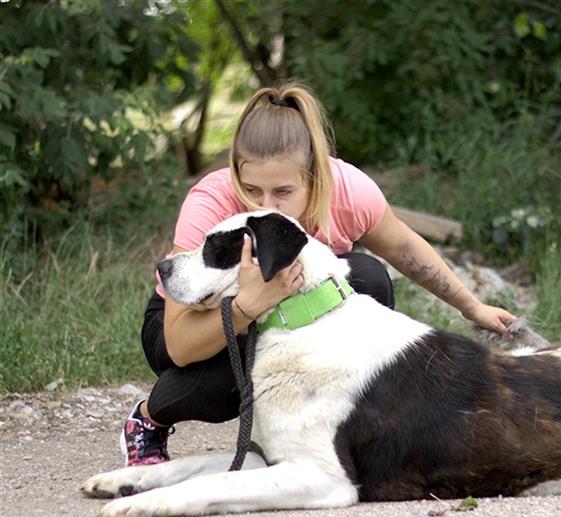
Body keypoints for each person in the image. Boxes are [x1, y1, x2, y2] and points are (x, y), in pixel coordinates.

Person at [123, 81, 516, 466]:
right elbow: (177, 344)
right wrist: (248, 305)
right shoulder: (210, 200)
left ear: (314, 177)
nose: (265, 206)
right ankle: (148, 419)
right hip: (192, 320)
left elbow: (404, 249)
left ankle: (345, 420)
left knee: (367, 279)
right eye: (251, 190)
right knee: (228, 371)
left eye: (282, 192)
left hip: (279, 314)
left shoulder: (348, 190)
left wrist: (471, 306)